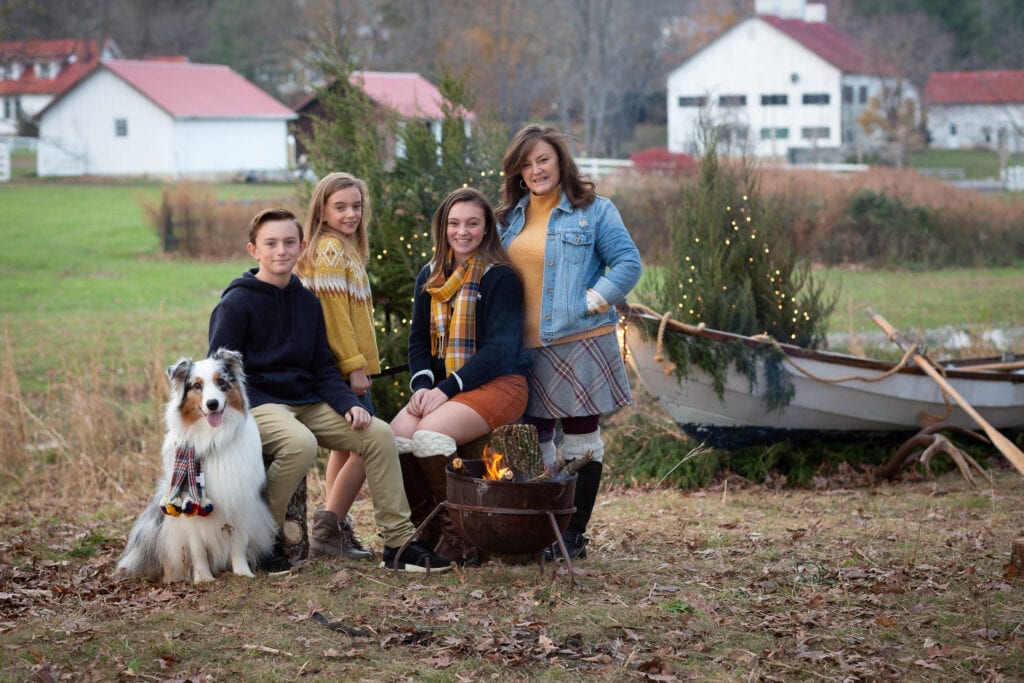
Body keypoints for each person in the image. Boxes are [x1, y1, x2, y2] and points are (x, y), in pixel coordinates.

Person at [208, 207, 450, 573]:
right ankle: (256, 539)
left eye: (290, 242)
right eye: (270, 243)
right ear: (253, 249)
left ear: (302, 246)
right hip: (258, 402)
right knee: (299, 444)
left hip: (308, 400)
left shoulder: (307, 302)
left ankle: (399, 545)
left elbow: (322, 364)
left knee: (379, 434)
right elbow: (219, 368)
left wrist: (348, 403)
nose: (281, 251)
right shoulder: (237, 303)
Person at [496, 125, 642, 560]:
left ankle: (573, 535)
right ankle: (543, 530)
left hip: (579, 338)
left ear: (560, 160)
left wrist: (592, 301)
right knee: (535, 439)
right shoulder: (508, 217)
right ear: (517, 173)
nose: (535, 170)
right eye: (526, 164)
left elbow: (628, 262)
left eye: (542, 159)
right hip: (521, 346)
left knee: (581, 440)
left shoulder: (594, 210)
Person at [392, 187, 530, 565]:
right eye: (454, 223)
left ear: (486, 229)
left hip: (501, 383)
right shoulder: (431, 276)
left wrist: (448, 388)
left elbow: (500, 350)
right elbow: (418, 341)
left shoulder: (500, 277)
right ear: (443, 228)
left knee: (429, 435)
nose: (462, 231)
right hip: (445, 387)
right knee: (397, 437)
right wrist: (423, 386)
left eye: (472, 223)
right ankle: (427, 529)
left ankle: (462, 536)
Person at [296, 172, 378, 562]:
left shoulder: (342, 248)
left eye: (356, 206)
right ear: (322, 210)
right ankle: (330, 528)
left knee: (346, 451)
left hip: (347, 368)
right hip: (343, 370)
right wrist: (354, 366)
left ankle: (336, 529)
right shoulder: (329, 249)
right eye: (340, 207)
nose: (350, 214)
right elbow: (334, 316)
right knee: (369, 445)